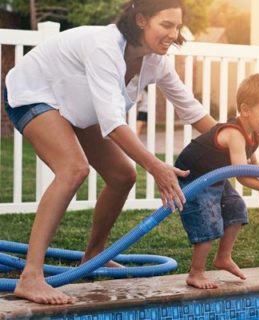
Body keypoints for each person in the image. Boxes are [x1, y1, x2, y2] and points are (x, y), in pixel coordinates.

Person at [3, 0, 216, 305]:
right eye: (166, 25)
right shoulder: (104, 47)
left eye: (177, 26)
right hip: (34, 92)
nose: (174, 34)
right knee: (73, 169)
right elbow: (113, 123)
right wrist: (156, 166)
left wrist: (234, 142)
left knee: (123, 174)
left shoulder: (156, 61)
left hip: (76, 105)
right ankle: (31, 277)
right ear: (141, 20)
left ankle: (94, 256)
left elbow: (191, 110)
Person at [174, 74, 259, 289]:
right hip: (192, 178)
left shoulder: (253, 134)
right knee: (208, 221)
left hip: (213, 178)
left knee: (237, 209)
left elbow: (251, 163)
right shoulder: (234, 133)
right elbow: (241, 173)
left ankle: (223, 257)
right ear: (246, 110)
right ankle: (196, 273)